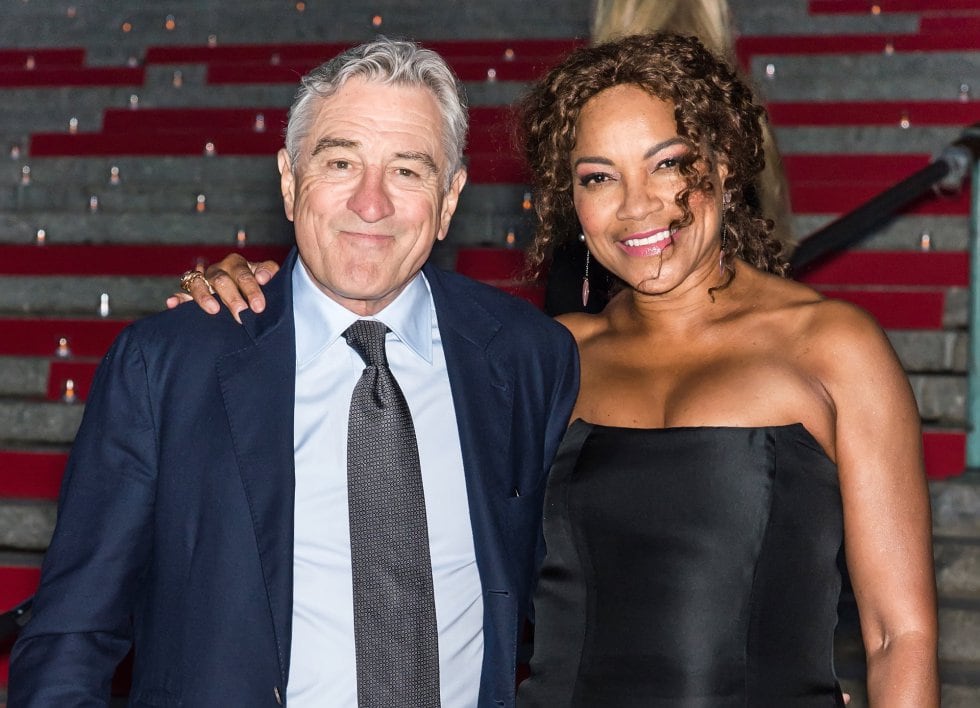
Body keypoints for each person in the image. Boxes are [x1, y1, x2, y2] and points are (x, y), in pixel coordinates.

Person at [188, 32, 940, 706]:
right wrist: (267, 291)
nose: (637, 208)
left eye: (667, 165)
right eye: (598, 177)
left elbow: (896, 636)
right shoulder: (549, 357)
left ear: (722, 163)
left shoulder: (833, 347)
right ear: (570, 201)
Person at [9, 38, 578, 707]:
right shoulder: (169, 364)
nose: (371, 204)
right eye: (340, 162)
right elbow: (72, 635)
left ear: (450, 198)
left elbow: (569, 610)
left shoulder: (527, 357)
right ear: (288, 180)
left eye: (408, 171)